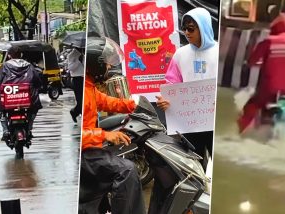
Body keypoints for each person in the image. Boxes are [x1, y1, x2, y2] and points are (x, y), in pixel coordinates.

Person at [78, 37, 145, 214]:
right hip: (85, 155)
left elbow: (106, 101)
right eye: (106, 64)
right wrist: (105, 135)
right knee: (127, 170)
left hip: (91, 149)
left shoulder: (89, 86)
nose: (109, 67)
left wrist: (132, 104)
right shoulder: (83, 90)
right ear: (96, 65)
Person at [156, 7, 218, 160]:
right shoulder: (180, 54)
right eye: (184, 29)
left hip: (216, 121)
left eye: (191, 29)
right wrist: (166, 101)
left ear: (204, 28)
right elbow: (171, 84)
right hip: (191, 122)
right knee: (193, 165)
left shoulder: (221, 52)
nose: (187, 33)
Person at [237, 13, 285, 133]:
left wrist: (251, 64)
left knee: (251, 107)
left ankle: (239, 132)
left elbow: (252, 61)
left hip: (270, 89)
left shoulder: (268, 42)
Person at [0, 46, 43, 144]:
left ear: (9, 56)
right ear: (21, 55)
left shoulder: (5, 66)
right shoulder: (29, 66)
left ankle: (5, 130)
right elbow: (38, 81)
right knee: (35, 107)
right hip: (28, 99)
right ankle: (29, 127)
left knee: (0, 108)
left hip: (8, 99)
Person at [67, 48, 84, 123]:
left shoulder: (83, 54)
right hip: (76, 79)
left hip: (84, 78)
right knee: (80, 100)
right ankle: (75, 112)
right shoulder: (71, 55)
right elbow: (70, 68)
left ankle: (77, 112)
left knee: (85, 99)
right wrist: (78, 61)